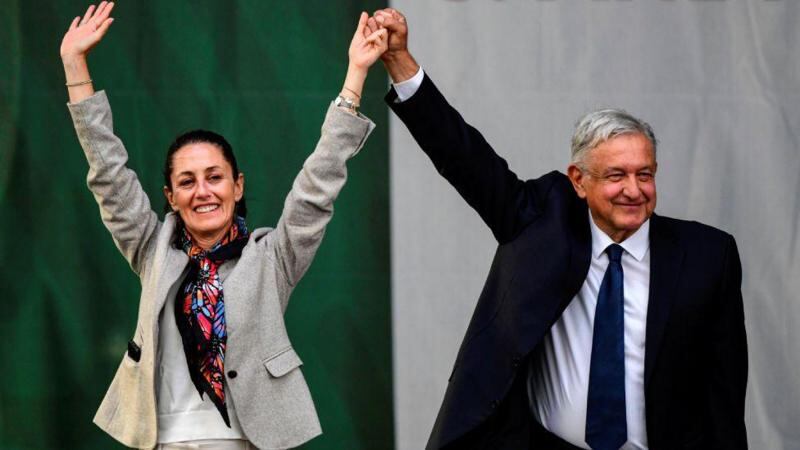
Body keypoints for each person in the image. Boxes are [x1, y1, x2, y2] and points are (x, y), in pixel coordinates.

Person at [367, 8, 747, 450]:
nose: (633, 190)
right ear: (578, 181)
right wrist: (399, 61)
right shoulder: (541, 221)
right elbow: (463, 155)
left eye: (644, 174)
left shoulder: (708, 256)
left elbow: (724, 395)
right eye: (616, 175)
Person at [60, 3, 388, 449]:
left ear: (237, 186)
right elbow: (108, 173)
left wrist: (356, 75)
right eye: (187, 182)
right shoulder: (152, 248)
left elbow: (318, 183)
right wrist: (75, 66)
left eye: (214, 177)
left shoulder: (272, 257)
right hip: (162, 439)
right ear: (171, 197)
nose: (203, 191)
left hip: (247, 439)